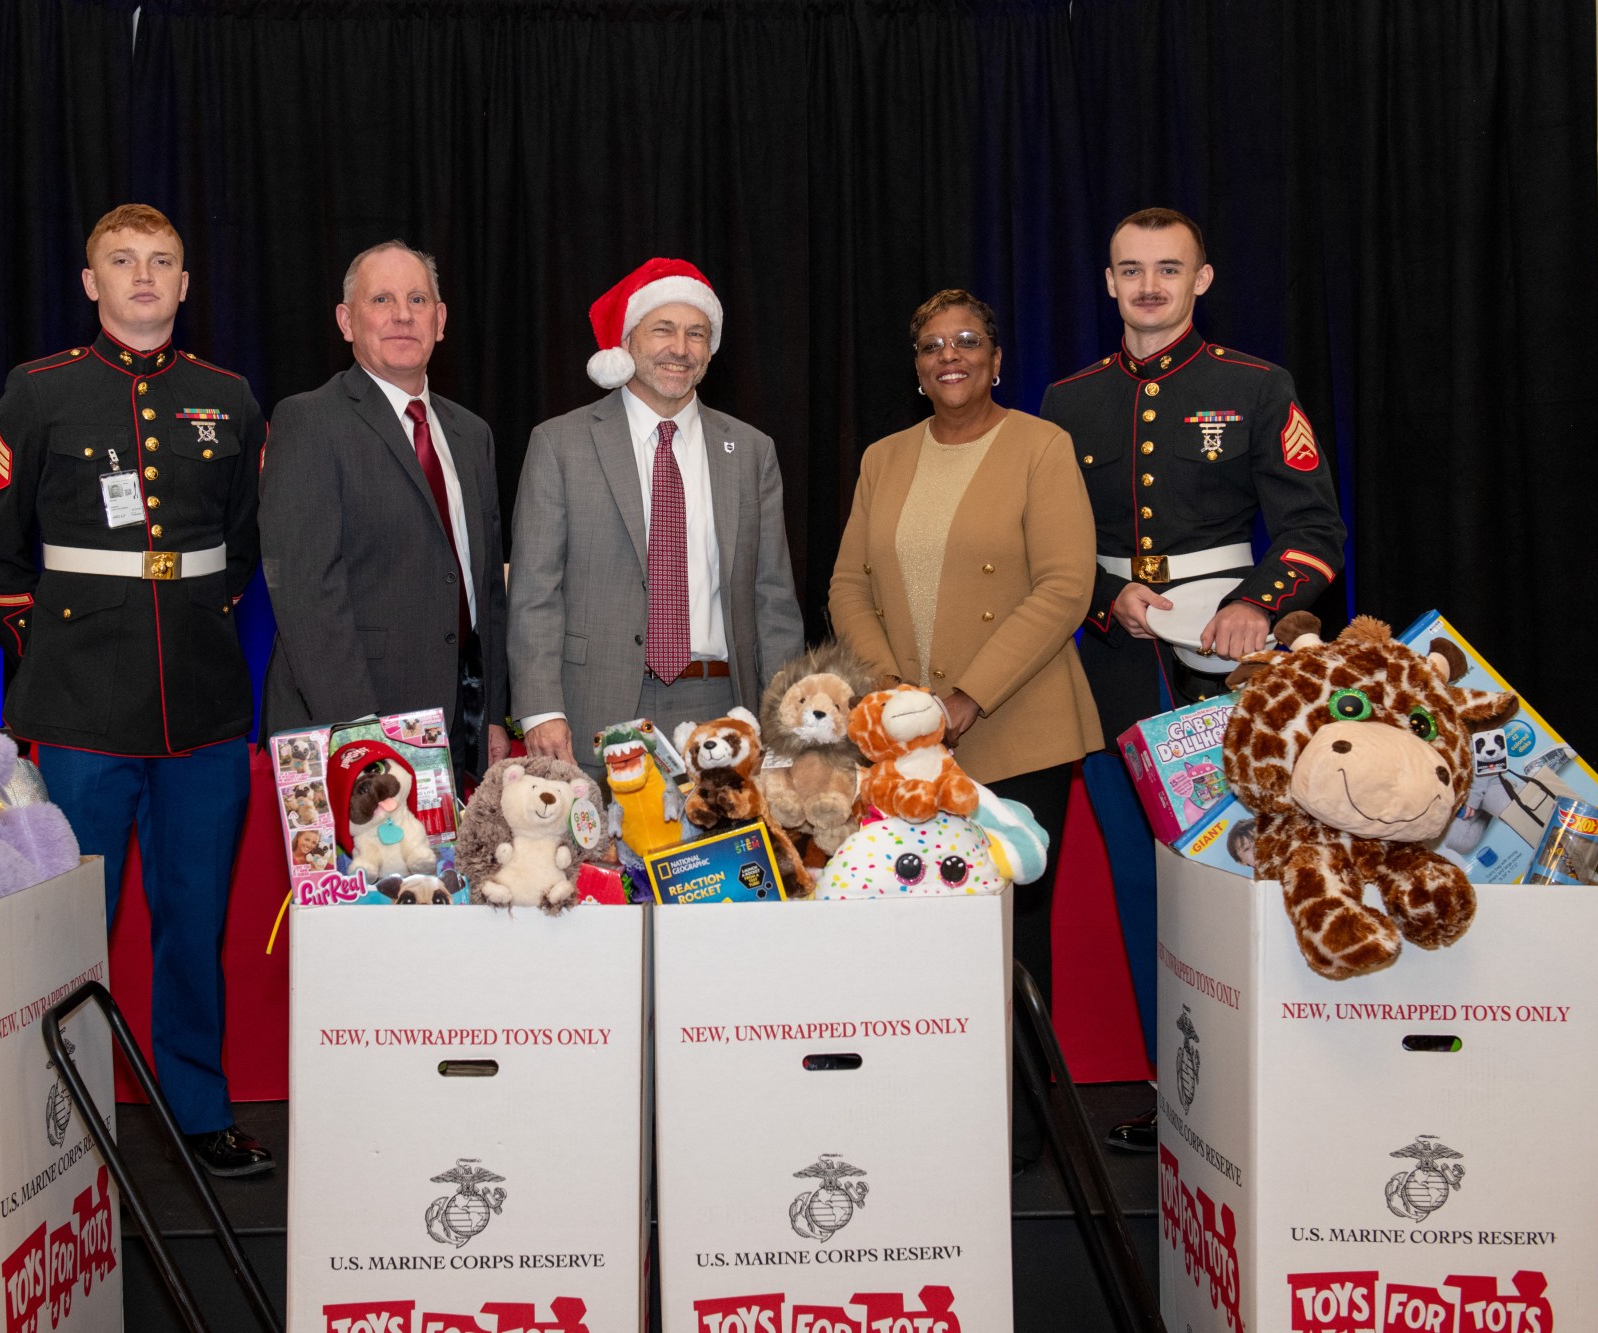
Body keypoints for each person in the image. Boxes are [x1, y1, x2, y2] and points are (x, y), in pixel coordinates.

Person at [0, 203, 272, 1176]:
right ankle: (59, 1124)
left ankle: (198, 1112)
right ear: (91, 282)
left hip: (203, 708)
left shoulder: (229, 397)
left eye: (163, 262)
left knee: (194, 923)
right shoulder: (38, 392)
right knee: (67, 931)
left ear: (186, 285)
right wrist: (48, 652)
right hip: (81, 708)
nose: (144, 276)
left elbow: (241, 546)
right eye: (122, 261)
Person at [1039, 207, 1346, 1150]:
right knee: (1143, 879)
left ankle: (1276, 1084)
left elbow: (1314, 531)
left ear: (1201, 279)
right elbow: (1042, 545)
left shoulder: (1256, 386)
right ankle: (1178, 1096)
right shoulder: (1067, 400)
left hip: (1228, 674)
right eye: (1130, 269)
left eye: (1168, 269)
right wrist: (1104, 598)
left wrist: (1259, 601)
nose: (1149, 286)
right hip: (1115, 670)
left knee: (1235, 874)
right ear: (1108, 281)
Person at [828, 288, 1102, 1172]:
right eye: (933, 344)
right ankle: (918, 1113)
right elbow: (848, 587)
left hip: (1015, 727)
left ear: (995, 359)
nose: (951, 355)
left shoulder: (1041, 447)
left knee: (1008, 936)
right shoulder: (883, 457)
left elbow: (1065, 585)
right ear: (917, 368)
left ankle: (1020, 1136)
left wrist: (965, 700)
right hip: (907, 743)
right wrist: (899, 696)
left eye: (968, 341)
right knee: (905, 929)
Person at [510, 258, 803, 771]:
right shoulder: (560, 443)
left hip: (722, 709)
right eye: (662, 329)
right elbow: (535, 593)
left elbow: (773, 599)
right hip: (595, 708)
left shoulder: (752, 451)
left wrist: (785, 721)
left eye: (697, 333)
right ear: (627, 343)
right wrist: (540, 710)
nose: (681, 348)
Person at [260, 241, 511, 786]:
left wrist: (492, 714)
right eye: (382, 299)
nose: (402, 314)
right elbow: (307, 595)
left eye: (417, 299)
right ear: (347, 321)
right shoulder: (309, 422)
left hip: (456, 723)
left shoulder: (472, 435)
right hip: (349, 731)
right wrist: (362, 739)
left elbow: (486, 586)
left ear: (440, 321)